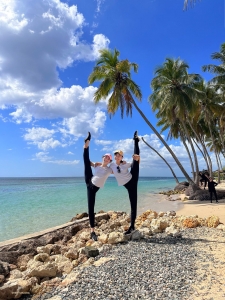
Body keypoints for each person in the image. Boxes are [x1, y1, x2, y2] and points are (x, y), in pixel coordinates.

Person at [110, 131, 140, 235]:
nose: (117, 157)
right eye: (116, 155)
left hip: (133, 178)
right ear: (114, 157)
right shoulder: (112, 166)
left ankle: (136, 140)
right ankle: (132, 226)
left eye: (119, 155)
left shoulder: (125, 164)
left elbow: (135, 164)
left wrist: (137, 160)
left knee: (135, 158)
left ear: (122, 157)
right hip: (128, 186)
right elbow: (105, 169)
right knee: (133, 205)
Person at [83, 132, 112, 241]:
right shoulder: (97, 165)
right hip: (90, 181)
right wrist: (94, 163)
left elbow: (118, 171)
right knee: (85, 162)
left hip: (93, 188)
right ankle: (86, 145)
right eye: (105, 157)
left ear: (110, 160)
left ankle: (92, 232)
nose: (106, 158)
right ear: (103, 158)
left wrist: (122, 162)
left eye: (108, 158)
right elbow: (89, 163)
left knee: (91, 208)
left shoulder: (109, 169)